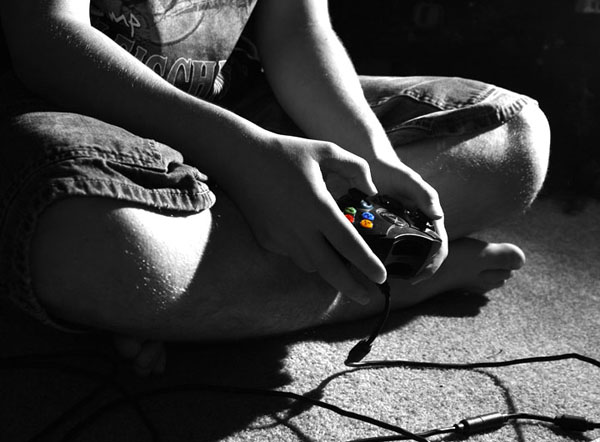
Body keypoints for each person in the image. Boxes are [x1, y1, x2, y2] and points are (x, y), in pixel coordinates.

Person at [0, 0, 549, 375]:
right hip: (81, 110)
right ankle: (387, 287)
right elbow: (48, 39)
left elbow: (296, 33)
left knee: (515, 137)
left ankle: (200, 301)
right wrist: (244, 157)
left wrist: (372, 157)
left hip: (240, 104)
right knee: (85, 245)